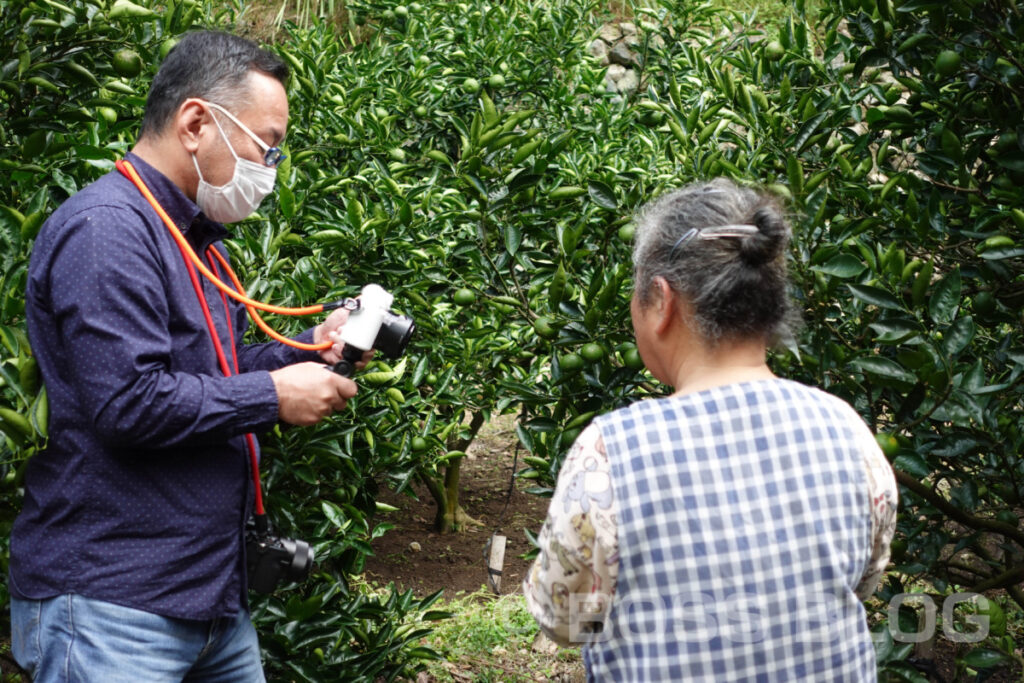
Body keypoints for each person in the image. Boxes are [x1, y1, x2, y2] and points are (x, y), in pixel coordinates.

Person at [9, 30, 363, 681]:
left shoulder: (199, 242)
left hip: (209, 606)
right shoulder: (107, 230)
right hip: (114, 607)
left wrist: (309, 349)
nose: (270, 169)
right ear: (196, 122)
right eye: (267, 146)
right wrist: (277, 396)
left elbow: (211, 378)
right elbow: (131, 404)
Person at [524, 178, 898, 681]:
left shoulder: (610, 452)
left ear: (661, 301)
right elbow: (864, 578)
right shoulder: (847, 429)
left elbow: (564, 618)